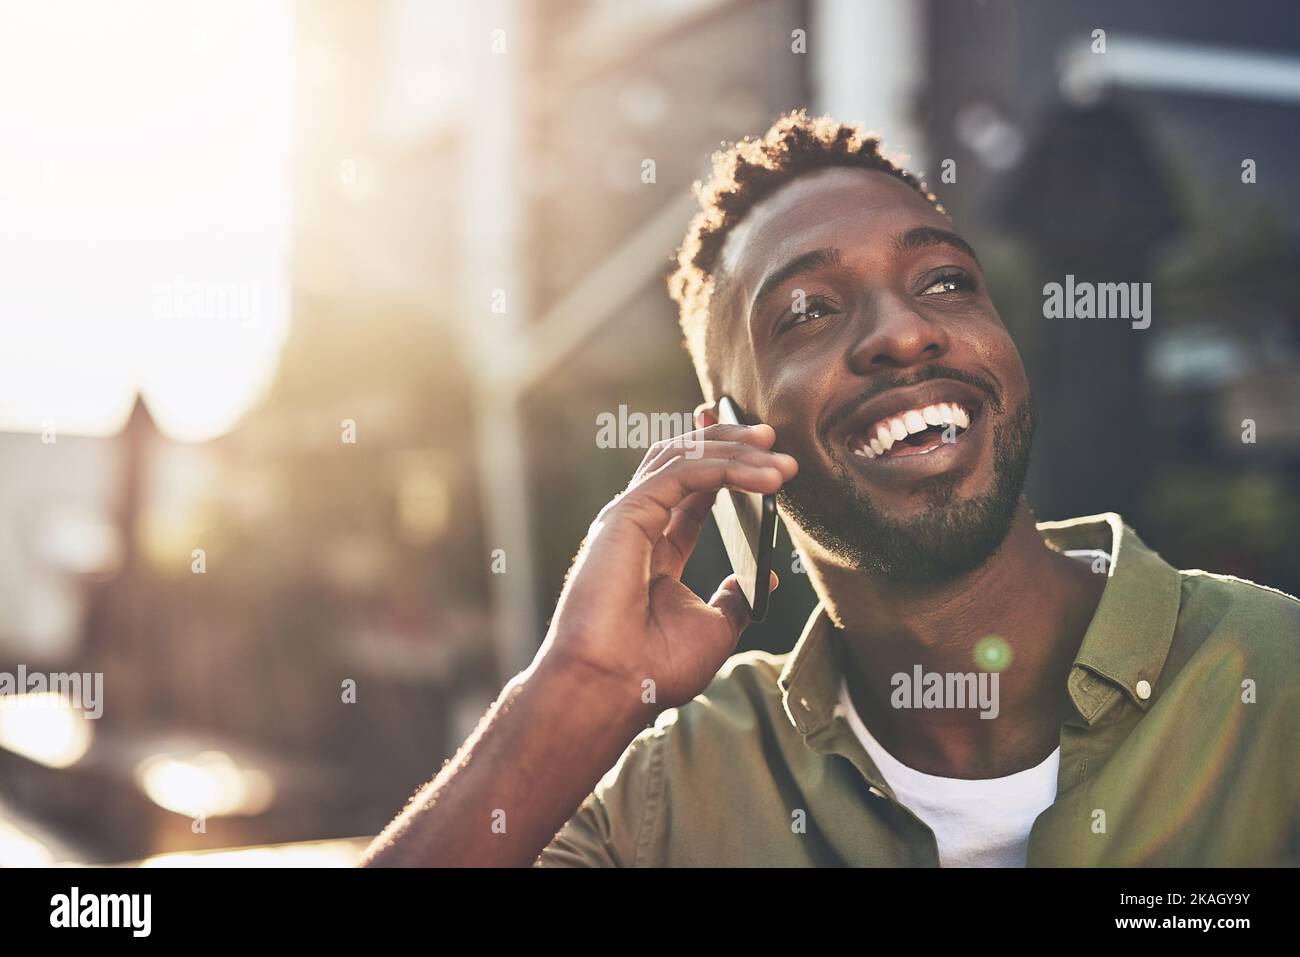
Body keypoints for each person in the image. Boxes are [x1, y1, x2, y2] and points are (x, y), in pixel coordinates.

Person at [360, 110, 1299, 867]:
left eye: (944, 280)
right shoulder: (676, 801)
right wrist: (579, 686)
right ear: (727, 438)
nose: (903, 332)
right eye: (807, 311)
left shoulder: (1273, 683)